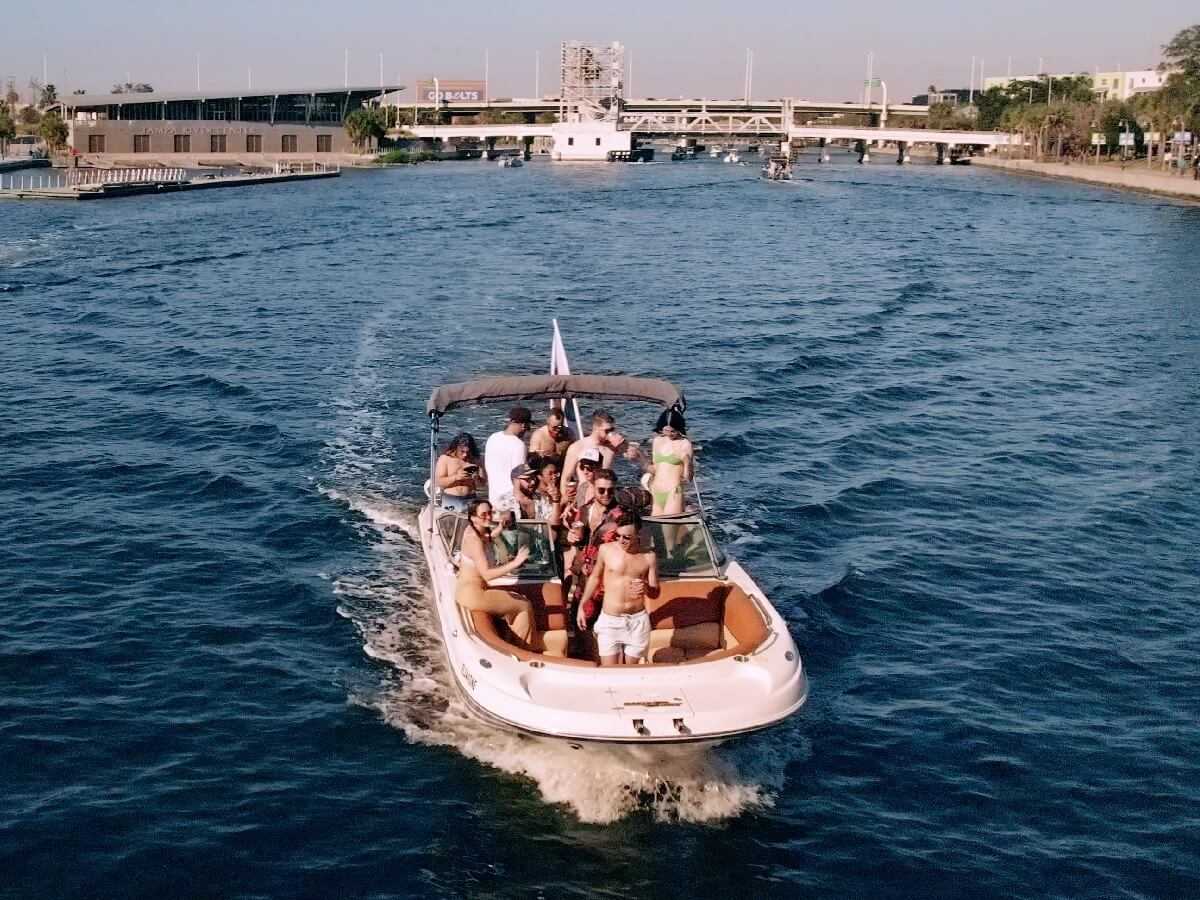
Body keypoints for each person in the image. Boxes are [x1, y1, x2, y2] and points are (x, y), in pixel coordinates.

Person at [577, 510, 658, 665]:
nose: (621, 540)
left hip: (637, 622)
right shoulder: (606, 550)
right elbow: (594, 577)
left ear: (638, 535)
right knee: (610, 672)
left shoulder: (649, 557)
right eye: (618, 536)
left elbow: (655, 592)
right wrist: (582, 605)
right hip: (610, 620)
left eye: (627, 537)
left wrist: (646, 588)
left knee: (631, 673)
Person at [455, 499, 533, 644]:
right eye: (483, 515)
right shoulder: (474, 539)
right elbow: (487, 574)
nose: (488, 517)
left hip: (468, 591)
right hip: (474, 595)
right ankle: (523, 649)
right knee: (524, 606)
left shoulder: (473, 530)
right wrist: (515, 563)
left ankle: (519, 641)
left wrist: (500, 528)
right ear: (472, 517)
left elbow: (487, 538)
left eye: (490, 513)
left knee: (521, 599)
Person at [563, 468, 623, 628]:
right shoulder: (583, 510)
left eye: (610, 490)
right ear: (593, 487)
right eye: (601, 490)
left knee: (605, 625)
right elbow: (577, 539)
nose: (606, 494)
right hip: (583, 574)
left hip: (606, 577)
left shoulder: (620, 515)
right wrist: (571, 538)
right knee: (581, 620)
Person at [559, 410, 620, 497]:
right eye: (607, 431)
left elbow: (632, 454)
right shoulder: (578, 447)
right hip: (585, 495)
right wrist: (565, 500)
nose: (610, 434)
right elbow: (566, 478)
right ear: (596, 428)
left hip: (605, 495)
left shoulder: (612, 447)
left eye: (612, 430)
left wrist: (623, 443)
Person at [647, 406, 694, 515]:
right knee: (657, 530)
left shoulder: (685, 444)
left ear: (679, 428)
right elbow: (654, 469)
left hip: (673, 493)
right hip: (656, 490)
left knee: (669, 528)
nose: (669, 434)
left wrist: (687, 461)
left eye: (673, 431)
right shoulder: (657, 441)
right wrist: (640, 458)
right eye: (666, 430)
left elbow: (689, 478)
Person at [484, 406, 531, 510]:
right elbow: (519, 475)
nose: (526, 431)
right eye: (528, 427)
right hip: (510, 499)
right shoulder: (519, 445)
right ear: (523, 425)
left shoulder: (492, 438)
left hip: (493, 497)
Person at [434, 432, 484, 512]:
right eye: (462, 451)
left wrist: (476, 478)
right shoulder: (445, 459)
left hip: (470, 500)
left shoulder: (476, 460)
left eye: (468, 452)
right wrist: (456, 477)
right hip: (450, 499)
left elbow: (482, 484)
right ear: (456, 448)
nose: (465, 455)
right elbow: (438, 482)